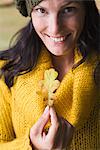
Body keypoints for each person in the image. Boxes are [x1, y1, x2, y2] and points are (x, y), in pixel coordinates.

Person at [0, 0, 100, 149]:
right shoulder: (7, 71)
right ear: (30, 13)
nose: (55, 29)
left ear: (86, 9)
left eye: (68, 10)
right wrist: (32, 146)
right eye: (42, 11)